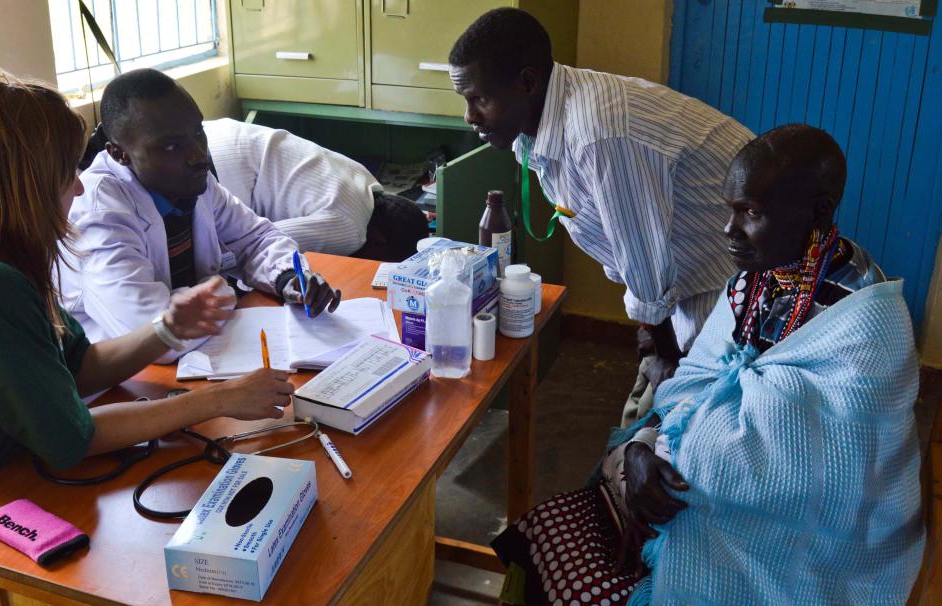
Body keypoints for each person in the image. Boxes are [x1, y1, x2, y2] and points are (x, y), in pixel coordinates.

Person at [0, 72, 297, 606]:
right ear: (26, 181)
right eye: (67, 173)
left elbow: (79, 365)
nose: (80, 186)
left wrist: (165, 330)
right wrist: (219, 400)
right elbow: (75, 439)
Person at [493, 125, 924, 605]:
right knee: (574, 512)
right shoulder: (753, 282)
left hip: (810, 543)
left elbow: (821, 476)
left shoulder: (863, 321)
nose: (729, 229)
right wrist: (642, 445)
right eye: (731, 209)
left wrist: (670, 461)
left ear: (818, 212)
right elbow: (695, 379)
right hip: (705, 474)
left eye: (751, 213)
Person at [448, 8, 754, 426]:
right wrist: (655, 343)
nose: (469, 116)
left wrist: (663, 353)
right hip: (689, 276)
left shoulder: (599, 133)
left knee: (694, 436)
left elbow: (644, 260)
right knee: (655, 422)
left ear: (527, 82)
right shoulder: (537, 123)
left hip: (738, 276)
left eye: (479, 98)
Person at [59, 69, 340, 360]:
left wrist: (289, 277)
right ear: (119, 154)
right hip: (127, 382)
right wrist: (227, 289)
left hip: (205, 352)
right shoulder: (100, 214)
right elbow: (153, 335)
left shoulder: (191, 180)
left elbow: (256, 237)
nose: (198, 155)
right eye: (171, 146)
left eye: (198, 132)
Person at [201, 118, 429, 260]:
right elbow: (262, 244)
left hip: (213, 135)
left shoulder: (367, 183)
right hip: (217, 165)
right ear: (380, 242)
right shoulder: (351, 230)